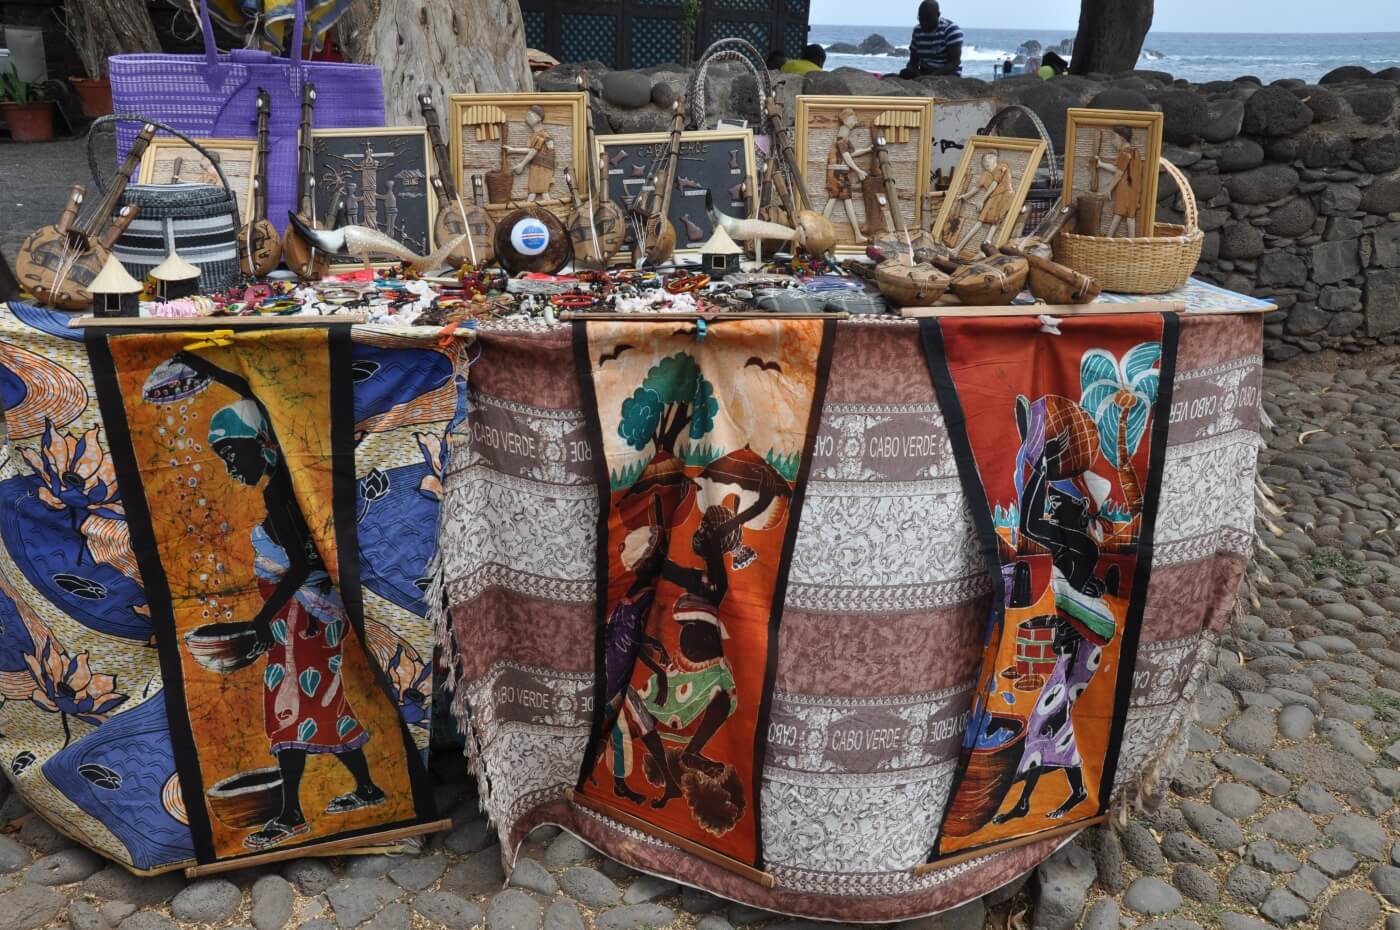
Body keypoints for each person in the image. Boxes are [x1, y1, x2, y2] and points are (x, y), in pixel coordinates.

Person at [169, 351, 386, 851]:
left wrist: (258, 622)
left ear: (260, 445)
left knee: (289, 709)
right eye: (223, 457)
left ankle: (290, 816)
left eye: (233, 453)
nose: (230, 466)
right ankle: (368, 788)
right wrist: (205, 366)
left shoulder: (278, 494)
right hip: (310, 618)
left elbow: (300, 569)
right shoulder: (291, 471)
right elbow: (254, 396)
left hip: (299, 620)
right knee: (324, 702)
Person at [898, 1, 963, 79]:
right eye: (920, 18)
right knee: (903, 73)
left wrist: (930, 77)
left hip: (947, 74)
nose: (923, 23)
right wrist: (914, 70)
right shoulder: (918, 30)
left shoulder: (950, 30)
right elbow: (913, 60)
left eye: (927, 19)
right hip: (924, 72)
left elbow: (954, 62)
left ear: (938, 15)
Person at [506, 105, 556, 202]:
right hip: (536, 165)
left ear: (538, 118)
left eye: (529, 115)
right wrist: (513, 150)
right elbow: (531, 150)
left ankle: (544, 206)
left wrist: (522, 165)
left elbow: (534, 151)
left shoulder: (543, 135)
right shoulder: (535, 135)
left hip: (543, 166)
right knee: (533, 191)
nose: (526, 118)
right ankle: (528, 207)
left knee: (542, 191)